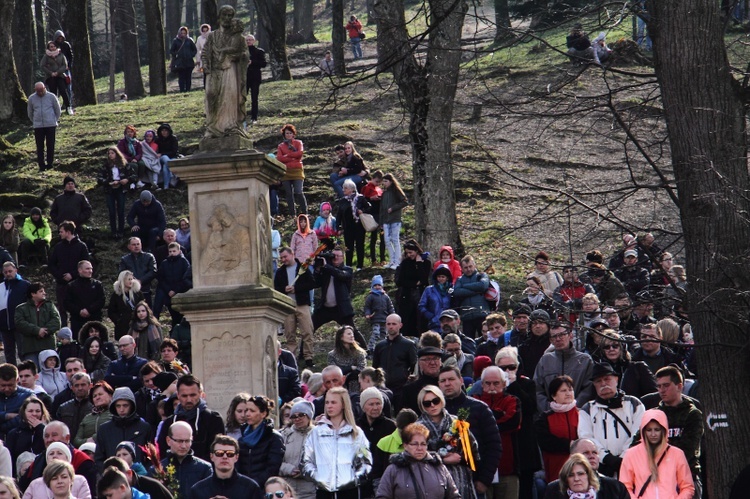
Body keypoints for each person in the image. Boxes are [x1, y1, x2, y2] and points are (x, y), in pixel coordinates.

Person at [302, 387, 371, 499]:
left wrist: (354, 479)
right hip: (323, 492)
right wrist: (318, 477)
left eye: (333, 402)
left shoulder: (356, 433)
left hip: (350, 492)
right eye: (327, 402)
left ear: (343, 404)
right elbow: (305, 461)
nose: (329, 406)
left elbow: (366, 461)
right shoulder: (315, 433)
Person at [578, 363, 644, 477]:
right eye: (598, 381)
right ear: (594, 385)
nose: (603, 383)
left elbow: (639, 433)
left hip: (632, 465)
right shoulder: (587, 409)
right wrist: (606, 458)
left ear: (616, 379)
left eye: (607, 379)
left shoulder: (634, 404)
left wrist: (623, 458)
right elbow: (586, 437)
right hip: (601, 469)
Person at [414, 384, 478, 499]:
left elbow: (473, 449)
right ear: (422, 406)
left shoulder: (457, 422)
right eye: (427, 403)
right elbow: (414, 456)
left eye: (435, 400)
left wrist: (460, 458)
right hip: (431, 482)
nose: (432, 405)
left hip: (461, 479)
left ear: (441, 399)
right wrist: (442, 459)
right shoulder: (417, 428)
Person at [619, 409, 694, 499]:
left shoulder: (677, 454)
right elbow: (625, 486)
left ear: (663, 430)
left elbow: (687, 487)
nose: (653, 434)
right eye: (649, 430)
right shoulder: (631, 454)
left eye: (657, 430)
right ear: (643, 431)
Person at [376, 422, 460, 499]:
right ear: (405, 445)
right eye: (414, 444)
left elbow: (454, 496)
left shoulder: (439, 467)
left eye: (423, 444)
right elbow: (382, 496)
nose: (419, 448)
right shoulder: (393, 470)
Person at [654, 366, 703, 497]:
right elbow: (637, 445)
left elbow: (687, 450)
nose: (661, 390)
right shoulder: (653, 415)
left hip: (685, 479)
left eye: (666, 385)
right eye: (658, 386)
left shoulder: (692, 414)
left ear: (679, 386)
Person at [473, 366, 522, 498]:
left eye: (496, 383)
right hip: (481, 471)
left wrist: (484, 424)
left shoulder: (512, 400)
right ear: (482, 384)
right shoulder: (473, 401)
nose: (492, 387)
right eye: (488, 383)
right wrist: (499, 414)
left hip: (508, 469)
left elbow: (512, 423)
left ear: (504, 383)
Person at [202, 6, 248, 139]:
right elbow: (205, 52)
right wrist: (205, 65)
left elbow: (245, 53)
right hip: (214, 71)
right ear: (219, 16)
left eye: (230, 15)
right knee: (211, 95)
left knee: (229, 98)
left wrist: (238, 56)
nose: (227, 18)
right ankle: (212, 127)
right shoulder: (212, 36)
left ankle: (230, 126)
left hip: (231, 71)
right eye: (225, 15)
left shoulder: (238, 37)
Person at [157, 375, 225, 461]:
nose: (189, 400)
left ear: (200, 394)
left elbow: (218, 452)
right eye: (184, 396)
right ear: (178, 395)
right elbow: (162, 454)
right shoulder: (169, 423)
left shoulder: (213, 419)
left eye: (193, 395)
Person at [533, 319, 594, 412]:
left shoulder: (585, 360)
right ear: (551, 340)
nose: (558, 339)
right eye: (554, 336)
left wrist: (574, 406)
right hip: (550, 416)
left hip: (578, 414)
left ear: (570, 336)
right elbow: (537, 389)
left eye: (561, 335)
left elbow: (589, 389)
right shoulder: (545, 360)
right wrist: (549, 408)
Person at [311, 246, 365, 347]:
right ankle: (303, 355)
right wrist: (317, 270)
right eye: (333, 256)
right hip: (325, 308)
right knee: (310, 328)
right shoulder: (326, 270)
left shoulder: (347, 270)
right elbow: (316, 283)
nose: (335, 258)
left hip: (340, 309)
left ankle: (366, 350)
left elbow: (341, 275)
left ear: (342, 258)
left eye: (337, 256)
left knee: (353, 330)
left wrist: (327, 266)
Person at [535, 375, 579, 483]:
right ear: (554, 396)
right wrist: (569, 445)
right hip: (556, 468)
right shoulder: (545, 417)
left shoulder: (582, 414)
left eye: (570, 390)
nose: (568, 393)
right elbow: (545, 441)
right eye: (563, 390)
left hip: (580, 468)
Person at [191, 435, 262, 499]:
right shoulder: (198, 490)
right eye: (219, 453)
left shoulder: (250, 488)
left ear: (236, 457)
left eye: (230, 454)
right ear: (211, 456)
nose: (225, 457)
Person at [237, 395, 284, 487]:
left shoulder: (274, 437)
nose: (247, 414)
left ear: (263, 414)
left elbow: (273, 468)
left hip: (264, 488)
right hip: (243, 488)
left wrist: (254, 483)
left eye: (252, 411)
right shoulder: (242, 438)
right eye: (246, 410)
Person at [597, 330, 655, 398]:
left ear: (622, 348)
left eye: (615, 346)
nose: (611, 349)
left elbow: (652, 395)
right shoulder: (599, 372)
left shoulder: (638, 368)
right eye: (607, 347)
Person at [15, 283, 61, 367]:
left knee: (49, 371)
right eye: (41, 291)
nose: (44, 293)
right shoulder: (21, 308)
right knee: (32, 372)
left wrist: (45, 331)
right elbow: (20, 323)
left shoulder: (50, 306)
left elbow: (56, 321)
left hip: (48, 346)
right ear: (33, 294)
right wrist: (37, 331)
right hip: (30, 348)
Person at [278, 398, 315, 499]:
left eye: (301, 415)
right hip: (287, 489)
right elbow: (275, 461)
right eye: (294, 416)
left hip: (310, 490)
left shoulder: (317, 435)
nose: (297, 419)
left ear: (309, 416)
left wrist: (305, 471)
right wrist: (289, 469)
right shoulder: (284, 435)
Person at [394, 239, 431, 336]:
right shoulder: (405, 263)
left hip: (420, 295)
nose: (409, 255)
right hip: (407, 296)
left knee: (421, 321)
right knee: (408, 321)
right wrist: (415, 283)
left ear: (417, 250)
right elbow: (400, 281)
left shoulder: (425, 262)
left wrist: (419, 264)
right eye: (407, 253)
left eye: (411, 252)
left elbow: (424, 279)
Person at [98, 147, 136, 239]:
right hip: (110, 190)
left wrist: (126, 180)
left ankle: (121, 231)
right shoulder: (106, 165)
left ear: (117, 154)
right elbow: (99, 178)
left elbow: (134, 175)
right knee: (111, 211)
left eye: (112, 153)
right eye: (109, 153)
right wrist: (108, 182)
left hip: (121, 189)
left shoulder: (124, 165)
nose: (110, 155)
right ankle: (113, 231)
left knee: (121, 210)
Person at [5, 397, 48, 475]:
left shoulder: (48, 432)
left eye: (37, 411)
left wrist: (41, 428)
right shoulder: (14, 433)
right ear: (24, 412)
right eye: (30, 411)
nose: (34, 414)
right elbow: (10, 458)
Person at [452, 255, 491, 339]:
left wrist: (465, 286)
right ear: (462, 268)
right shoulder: (459, 279)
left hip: (482, 314)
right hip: (467, 317)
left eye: (470, 266)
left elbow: (482, 286)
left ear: (474, 265)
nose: (468, 269)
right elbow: (457, 292)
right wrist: (476, 290)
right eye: (466, 267)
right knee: (468, 342)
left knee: (485, 339)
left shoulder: (482, 275)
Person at [64, 260, 105, 340]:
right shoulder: (71, 286)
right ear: (80, 270)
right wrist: (79, 311)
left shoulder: (97, 285)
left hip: (94, 319)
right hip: (77, 321)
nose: (90, 271)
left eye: (91, 269)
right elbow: (67, 303)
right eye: (87, 269)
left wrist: (89, 310)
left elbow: (101, 300)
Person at [154, 243, 192, 326]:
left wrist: (175, 290)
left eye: (174, 251)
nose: (172, 253)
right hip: (167, 291)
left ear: (179, 251)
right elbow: (160, 277)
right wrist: (168, 290)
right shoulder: (164, 263)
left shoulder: (184, 262)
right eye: (170, 251)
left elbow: (185, 278)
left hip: (179, 291)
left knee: (178, 315)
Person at [27, 82, 61, 172]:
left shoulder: (52, 96)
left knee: (50, 145)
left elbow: (58, 110)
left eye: (41, 90)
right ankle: (41, 165)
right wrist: (35, 121)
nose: (40, 93)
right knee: (39, 146)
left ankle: (50, 163)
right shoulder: (31, 98)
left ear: (44, 88)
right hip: (38, 126)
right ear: (35, 90)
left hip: (50, 125)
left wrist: (53, 120)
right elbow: (30, 113)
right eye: (38, 91)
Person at [337, 179, 370, 270]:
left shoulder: (360, 198)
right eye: (343, 188)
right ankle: (348, 265)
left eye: (345, 188)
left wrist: (362, 211)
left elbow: (369, 207)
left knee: (360, 245)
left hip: (359, 226)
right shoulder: (343, 201)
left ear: (352, 189)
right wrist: (339, 227)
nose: (343, 190)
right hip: (348, 227)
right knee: (348, 247)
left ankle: (360, 266)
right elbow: (339, 215)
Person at [1, 262, 29, 365]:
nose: (8, 274)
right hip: (4, 325)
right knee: (9, 353)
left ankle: (26, 373)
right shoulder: (1, 287)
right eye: (5, 272)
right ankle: (11, 375)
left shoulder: (25, 285)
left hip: (20, 324)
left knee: (23, 352)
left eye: (10, 271)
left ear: (15, 270)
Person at [277, 125, 308, 218]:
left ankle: (305, 212)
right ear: (284, 134)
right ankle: (292, 214)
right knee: (289, 193)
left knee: (298, 191)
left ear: (293, 134)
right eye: (287, 133)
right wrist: (292, 156)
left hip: (297, 170)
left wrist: (287, 155)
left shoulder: (298, 143)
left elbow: (300, 153)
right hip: (286, 171)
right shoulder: (281, 146)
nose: (289, 135)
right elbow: (279, 158)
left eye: (290, 133)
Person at [119, 237, 157, 309]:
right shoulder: (124, 259)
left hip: (146, 289)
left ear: (141, 245)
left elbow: (153, 271)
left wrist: (141, 281)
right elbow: (122, 273)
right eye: (133, 244)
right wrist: (133, 281)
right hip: (130, 290)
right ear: (129, 246)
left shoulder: (149, 256)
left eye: (138, 244)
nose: (136, 246)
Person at [73, 381, 113, 447]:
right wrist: (88, 441)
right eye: (94, 396)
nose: (97, 397)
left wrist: (94, 438)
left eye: (100, 394)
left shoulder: (115, 414)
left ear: (110, 395)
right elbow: (76, 441)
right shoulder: (87, 418)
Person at [419, 265, 454, 332]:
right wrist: (430, 316)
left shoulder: (452, 290)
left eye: (443, 277)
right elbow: (421, 306)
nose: (440, 279)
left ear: (447, 278)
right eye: (439, 277)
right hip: (433, 324)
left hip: (448, 324)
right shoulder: (429, 290)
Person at [40, 41, 71, 114]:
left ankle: (68, 107)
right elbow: (42, 66)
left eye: (54, 46)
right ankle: (55, 109)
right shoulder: (46, 56)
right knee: (53, 93)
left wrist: (58, 72)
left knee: (63, 91)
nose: (53, 48)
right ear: (48, 48)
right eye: (51, 46)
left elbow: (64, 65)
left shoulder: (61, 55)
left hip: (60, 76)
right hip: (50, 77)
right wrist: (51, 73)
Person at [245, 34, 267, 123]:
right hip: (244, 78)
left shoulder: (259, 51)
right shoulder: (241, 52)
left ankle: (254, 117)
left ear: (254, 41)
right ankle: (241, 116)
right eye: (247, 40)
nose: (248, 41)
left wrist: (252, 62)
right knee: (242, 98)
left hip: (255, 78)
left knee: (254, 98)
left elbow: (264, 64)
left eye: (250, 40)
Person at [170, 26, 197, 92]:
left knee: (188, 77)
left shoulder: (189, 40)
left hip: (189, 62)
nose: (183, 34)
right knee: (181, 77)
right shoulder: (176, 41)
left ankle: (188, 89)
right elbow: (171, 51)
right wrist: (177, 54)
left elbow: (194, 49)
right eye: (182, 33)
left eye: (184, 33)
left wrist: (191, 55)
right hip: (180, 62)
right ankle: (182, 90)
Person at [154, 124, 179, 190]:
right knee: (165, 159)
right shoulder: (158, 140)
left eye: (165, 130)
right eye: (162, 130)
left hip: (173, 157)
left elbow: (174, 151)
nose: (164, 132)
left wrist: (162, 153)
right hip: (162, 158)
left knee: (166, 165)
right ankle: (171, 176)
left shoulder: (173, 139)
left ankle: (166, 186)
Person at [195, 23, 211, 88]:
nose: (205, 32)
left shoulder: (212, 37)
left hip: (212, 56)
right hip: (204, 57)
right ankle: (205, 86)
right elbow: (197, 49)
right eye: (203, 31)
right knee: (205, 72)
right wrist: (198, 59)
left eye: (206, 30)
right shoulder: (199, 38)